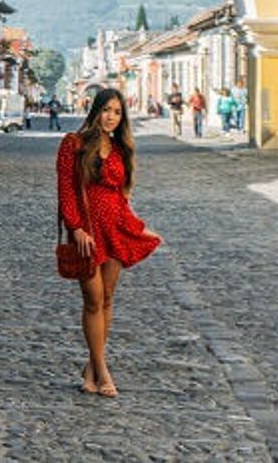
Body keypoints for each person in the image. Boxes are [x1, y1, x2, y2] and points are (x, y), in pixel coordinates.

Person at [56, 87, 161, 398]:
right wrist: (76, 229)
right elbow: (66, 191)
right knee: (92, 299)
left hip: (115, 230)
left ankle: (91, 368)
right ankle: (103, 371)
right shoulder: (72, 145)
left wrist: (139, 229)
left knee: (107, 300)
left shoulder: (121, 151)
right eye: (106, 110)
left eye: (117, 112)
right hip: (87, 233)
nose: (111, 117)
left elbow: (122, 198)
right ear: (95, 110)